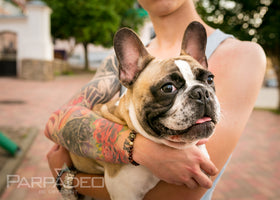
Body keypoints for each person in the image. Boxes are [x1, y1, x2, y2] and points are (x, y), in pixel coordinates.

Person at [46, 0, 266, 199]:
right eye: (168, 88)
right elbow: (56, 123)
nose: (201, 94)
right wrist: (137, 148)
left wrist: (69, 180)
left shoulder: (242, 55)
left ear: (202, 61)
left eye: (206, 80)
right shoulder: (119, 62)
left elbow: (173, 196)